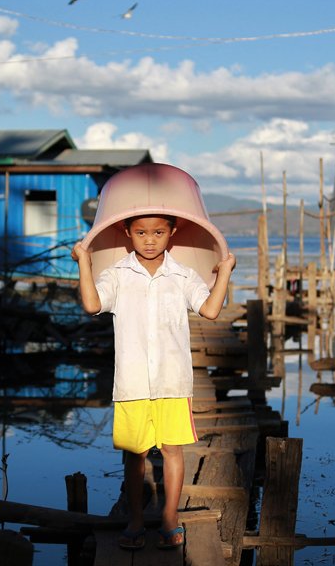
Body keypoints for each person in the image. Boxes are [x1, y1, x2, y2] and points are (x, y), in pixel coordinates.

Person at [71, 213, 236, 551]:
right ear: (126, 232)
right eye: (141, 232)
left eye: (158, 232)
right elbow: (91, 304)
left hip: (172, 382)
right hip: (131, 384)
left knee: (173, 451)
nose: (150, 239)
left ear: (172, 232)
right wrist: (84, 263)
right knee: (135, 456)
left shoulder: (182, 275)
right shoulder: (117, 275)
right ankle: (135, 519)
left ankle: (169, 518)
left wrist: (226, 272)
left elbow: (210, 310)